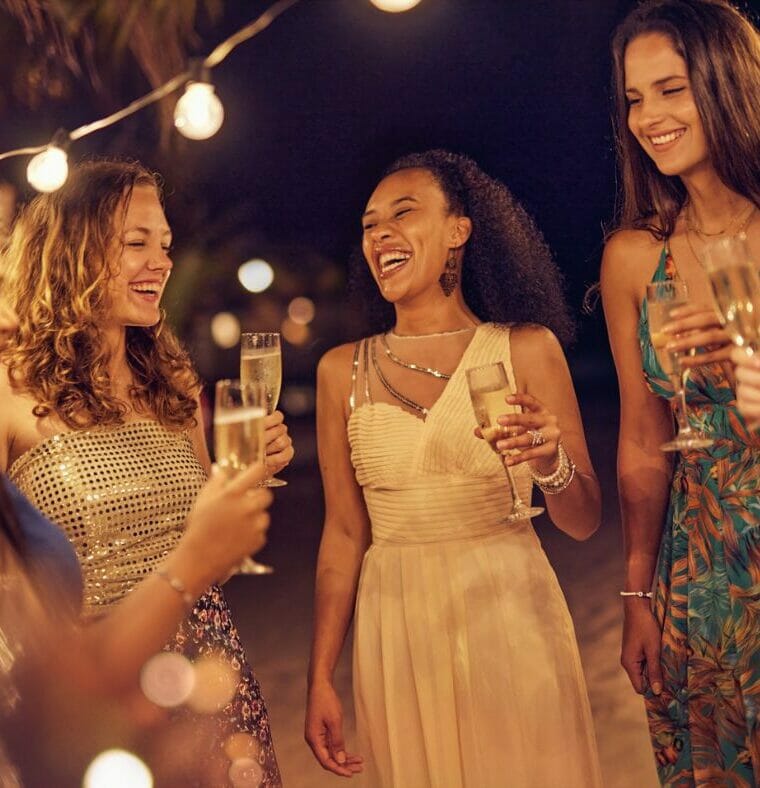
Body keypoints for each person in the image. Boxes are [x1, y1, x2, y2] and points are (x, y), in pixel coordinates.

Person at [305, 149, 602, 787]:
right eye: (368, 224)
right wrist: (319, 676)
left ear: (459, 230)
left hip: (509, 614)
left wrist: (550, 464)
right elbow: (343, 537)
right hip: (398, 631)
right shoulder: (340, 372)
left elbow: (582, 522)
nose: (379, 234)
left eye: (402, 215)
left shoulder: (526, 348)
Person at [0, 159, 294, 786]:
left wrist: (251, 478)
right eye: (136, 243)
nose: (160, 261)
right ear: (71, 250)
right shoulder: (9, 390)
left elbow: (207, 533)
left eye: (164, 244)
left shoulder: (173, 379)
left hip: (212, 675)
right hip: (90, 691)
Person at [600, 0, 760, 783]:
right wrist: (638, 588)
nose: (648, 117)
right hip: (699, 577)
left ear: (729, 82)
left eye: (671, 89)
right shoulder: (636, 259)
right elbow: (641, 438)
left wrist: (748, 372)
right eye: (634, 98)